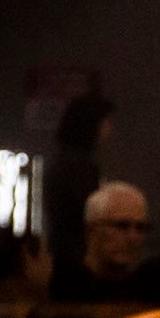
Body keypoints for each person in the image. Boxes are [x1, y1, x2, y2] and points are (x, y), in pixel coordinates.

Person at [48, 179, 151, 306]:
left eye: (140, 228)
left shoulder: (149, 293)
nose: (132, 237)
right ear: (91, 229)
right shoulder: (64, 292)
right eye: (121, 226)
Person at [39, 91, 113, 264]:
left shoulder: (64, 161)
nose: (109, 129)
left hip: (64, 252)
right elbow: (86, 214)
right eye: (106, 122)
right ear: (91, 125)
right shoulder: (77, 167)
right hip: (75, 256)